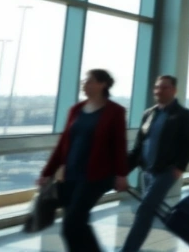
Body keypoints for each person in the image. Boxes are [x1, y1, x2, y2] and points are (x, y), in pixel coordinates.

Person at [39, 69, 129, 252]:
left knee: (71, 224)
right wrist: (47, 172)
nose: (84, 84)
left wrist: (121, 174)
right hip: (70, 175)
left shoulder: (115, 111)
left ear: (102, 84)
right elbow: (63, 143)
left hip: (96, 176)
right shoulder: (76, 110)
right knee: (77, 224)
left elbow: (119, 145)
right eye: (84, 81)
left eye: (89, 81)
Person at [122, 75, 189, 252]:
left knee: (144, 210)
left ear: (174, 90)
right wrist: (123, 171)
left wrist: (179, 167)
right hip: (148, 172)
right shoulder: (148, 114)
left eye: (164, 87)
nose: (159, 91)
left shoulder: (183, 115)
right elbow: (138, 147)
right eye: (157, 87)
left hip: (167, 171)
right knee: (149, 212)